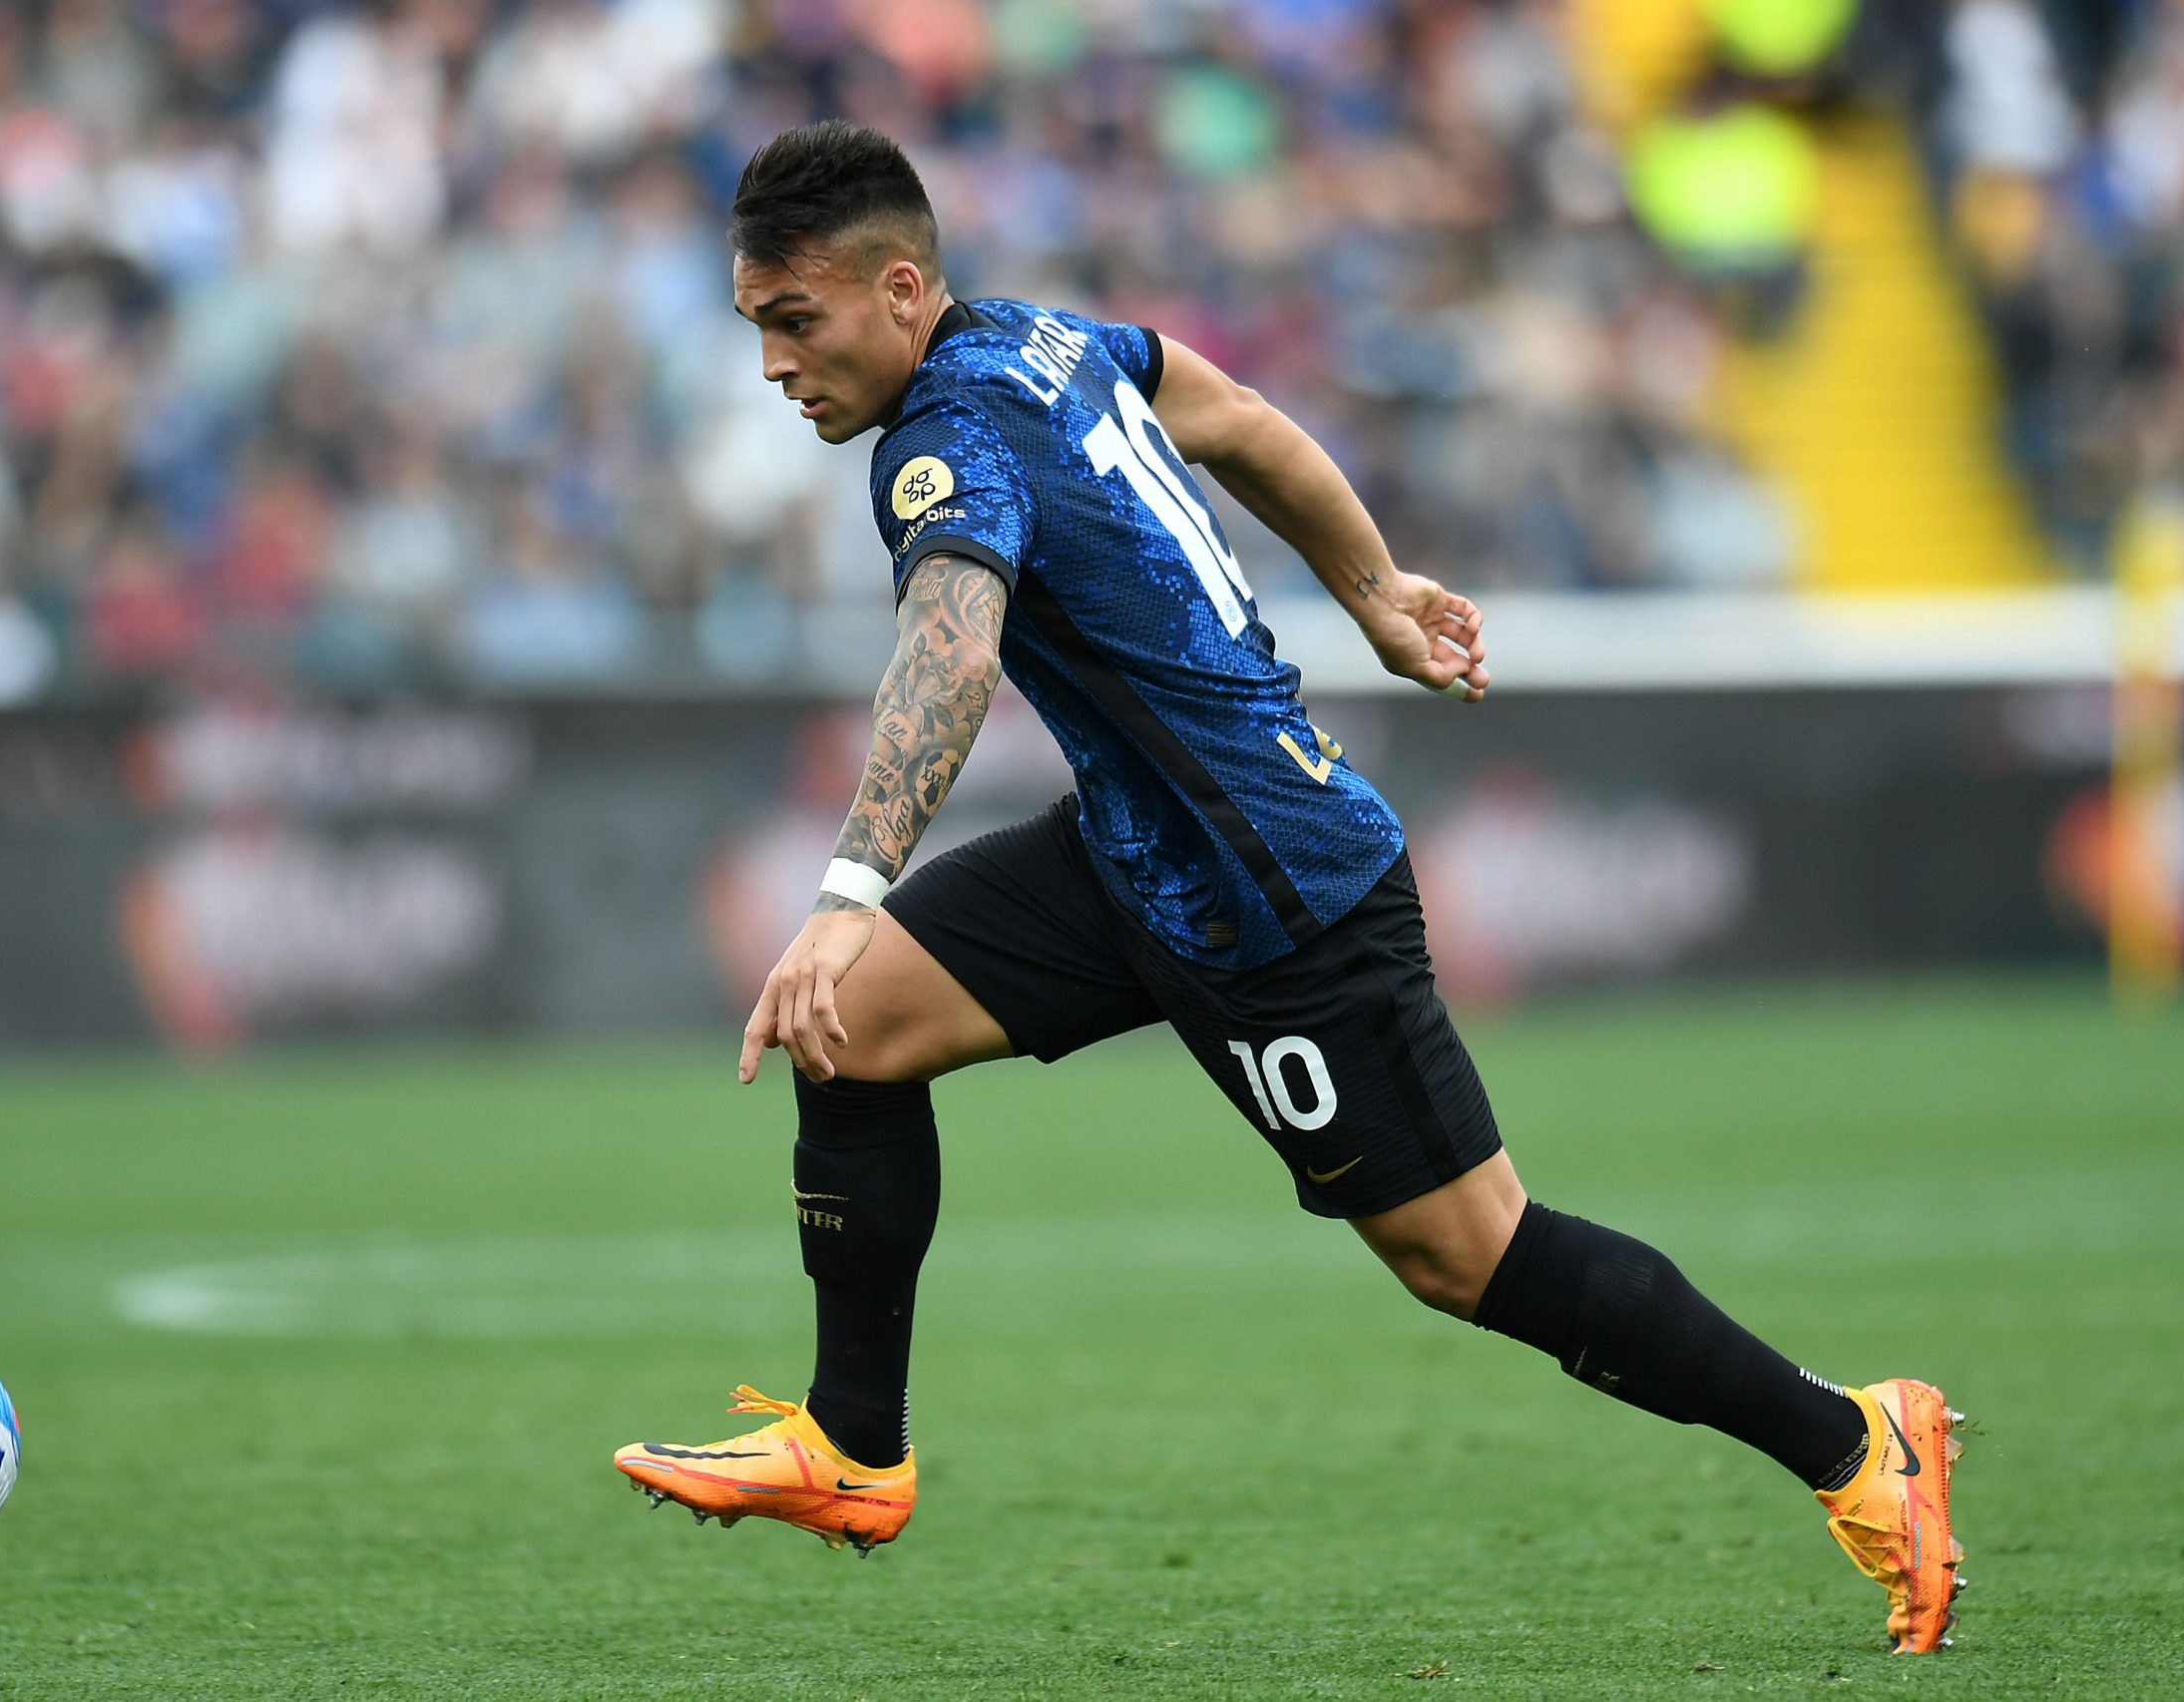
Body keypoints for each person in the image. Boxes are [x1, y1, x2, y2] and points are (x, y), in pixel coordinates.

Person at [613, 122, 1965, 1656]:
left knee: (1471, 1256)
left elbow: (953, 647)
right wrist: (1376, 590)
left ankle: (1858, 1439)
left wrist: (852, 878)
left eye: (798, 321)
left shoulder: (947, 434)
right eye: (756, 329)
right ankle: (854, 1445)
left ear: (904, 289)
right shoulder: (1050, 340)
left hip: (1274, 891)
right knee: (844, 1024)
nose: (777, 363)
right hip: (1141, 846)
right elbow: (1240, 417)